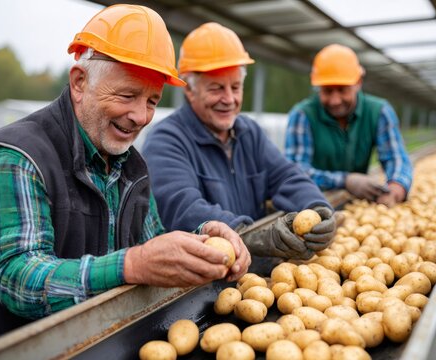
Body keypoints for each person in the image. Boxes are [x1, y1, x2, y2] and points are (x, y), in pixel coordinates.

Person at [0, 5, 250, 345]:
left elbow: (151, 246)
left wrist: (202, 239)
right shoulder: (16, 155)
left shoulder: (131, 165)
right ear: (79, 82)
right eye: (127, 95)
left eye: (152, 100)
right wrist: (131, 265)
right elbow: (18, 279)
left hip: (99, 344)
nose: (140, 115)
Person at [142, 22, 338, 262]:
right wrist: (252, 235)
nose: (229, 99)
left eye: (235, 87)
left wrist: (317, 206)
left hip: (253, 272)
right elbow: (183, 208)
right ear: (190, 90)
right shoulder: (167, 140)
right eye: (216, 88)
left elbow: (286, 176)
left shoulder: (249, 132)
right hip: (204, 277)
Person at [285, 44, 413, 207]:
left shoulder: (379, 111)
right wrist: (345, 181)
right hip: (312, 204)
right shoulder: (302, 115)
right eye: (327, 91)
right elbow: (295, 171)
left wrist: (396, 187)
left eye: (342, 90)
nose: (335, 100)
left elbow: (396, 157)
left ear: (358, 82)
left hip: (359, 204)